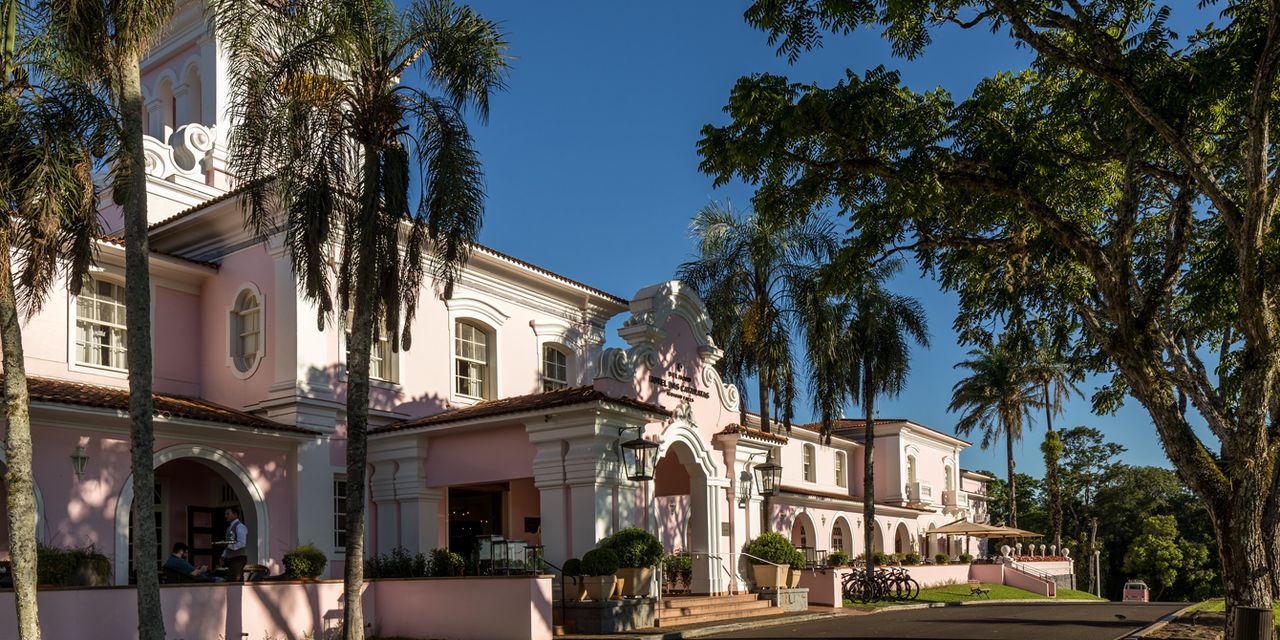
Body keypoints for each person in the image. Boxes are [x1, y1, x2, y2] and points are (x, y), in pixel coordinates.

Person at [219, 505, 250, 581]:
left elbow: (242, 543)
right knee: (234, 580)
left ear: (235, 514)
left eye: (228, 514)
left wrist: (228, 545)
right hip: (231, 558)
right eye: (225, 514)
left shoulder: (240, 526)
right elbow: (228, 543)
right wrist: (223, 556)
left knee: (234, 581)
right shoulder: (229, 528)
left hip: (239, 558)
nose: (226, 516)